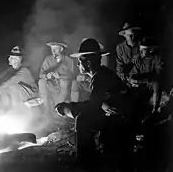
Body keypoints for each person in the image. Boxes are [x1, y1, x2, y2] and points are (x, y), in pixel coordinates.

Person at [55, 38, 134, 172]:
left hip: (120, 119)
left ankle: (85, 162)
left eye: (80, 61)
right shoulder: (101, 74)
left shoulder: (100, 76)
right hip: (119, 116)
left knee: (83, 120)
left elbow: (92, 106)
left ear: (89, 62)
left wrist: (66, 109)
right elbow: (98, 101)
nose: (78, 65)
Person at [38, 42, 75, 112]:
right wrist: (46, 76)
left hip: (63, 85)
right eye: (52, 49)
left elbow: (72, 75)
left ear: (61, 49)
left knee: (64, 82)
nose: (53, 51)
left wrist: (60, 76)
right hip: (51, 84)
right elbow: (41, 74)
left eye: (55, 49)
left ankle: (58, 108)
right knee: (41, 82)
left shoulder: (68, 60)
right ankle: (46, 109)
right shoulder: (48, 59)